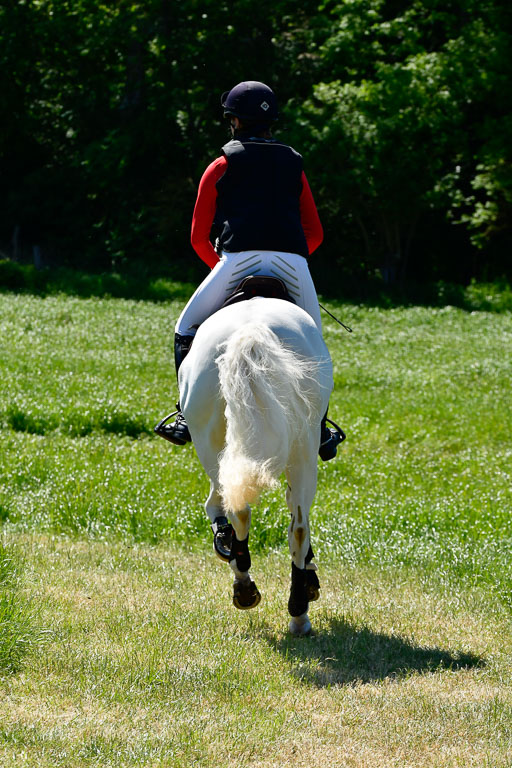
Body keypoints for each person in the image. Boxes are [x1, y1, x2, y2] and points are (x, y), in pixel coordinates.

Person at [156, 80, 342, 461]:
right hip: (293, 262)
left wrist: (226, 274)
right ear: (271, 120)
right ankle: (321, 427)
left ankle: (185, 417)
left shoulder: (222, 164)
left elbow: (197, 238)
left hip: (236, 260)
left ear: (233, 121)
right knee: (315, 342)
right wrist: (293, 261)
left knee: (185, 328)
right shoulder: (294, 163)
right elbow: (316, 233)